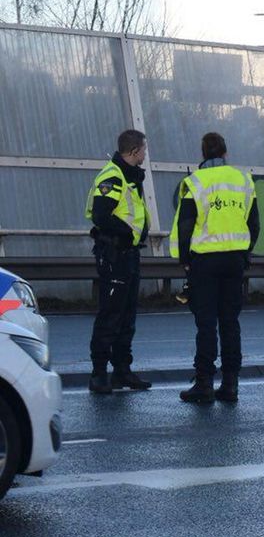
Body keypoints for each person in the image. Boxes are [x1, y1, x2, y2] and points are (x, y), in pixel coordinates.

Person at [170, 133, 259, 404]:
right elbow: (253, 224)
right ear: (225, 152)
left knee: (206, 323)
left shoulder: (195, 182)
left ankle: (204, 384)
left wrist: (185, 259)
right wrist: (244, 253)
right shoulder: (243, 180)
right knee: (230, 322)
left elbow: (185, 226)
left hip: (205, 261)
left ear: (203, 152)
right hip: (234, 260)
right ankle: (230, 384)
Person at [85, 129, 154, 394]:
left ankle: (122, 370)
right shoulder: (113, 177)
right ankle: (99, 373)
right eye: (144, 150)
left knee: (127, 315)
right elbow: (101, 216)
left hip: (129, 254)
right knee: (110, 314)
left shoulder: (129, 177)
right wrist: (126, 232)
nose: (145, 154)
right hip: (115, 255)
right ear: (134, 151)